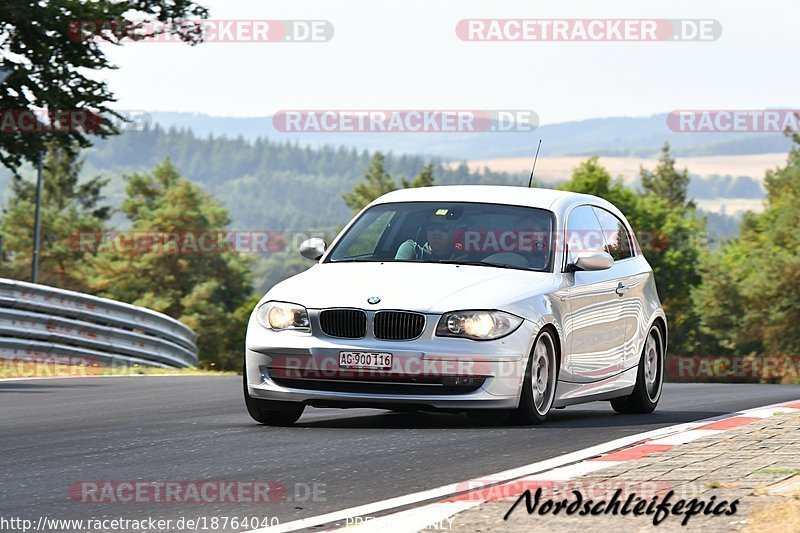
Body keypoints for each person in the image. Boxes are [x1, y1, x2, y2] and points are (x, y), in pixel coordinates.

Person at [395, 211, 467, 261]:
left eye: (443, 228)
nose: (436, 232)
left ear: (454, 234)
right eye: (432, 227)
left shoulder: (463, 258)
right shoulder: (412, 250)